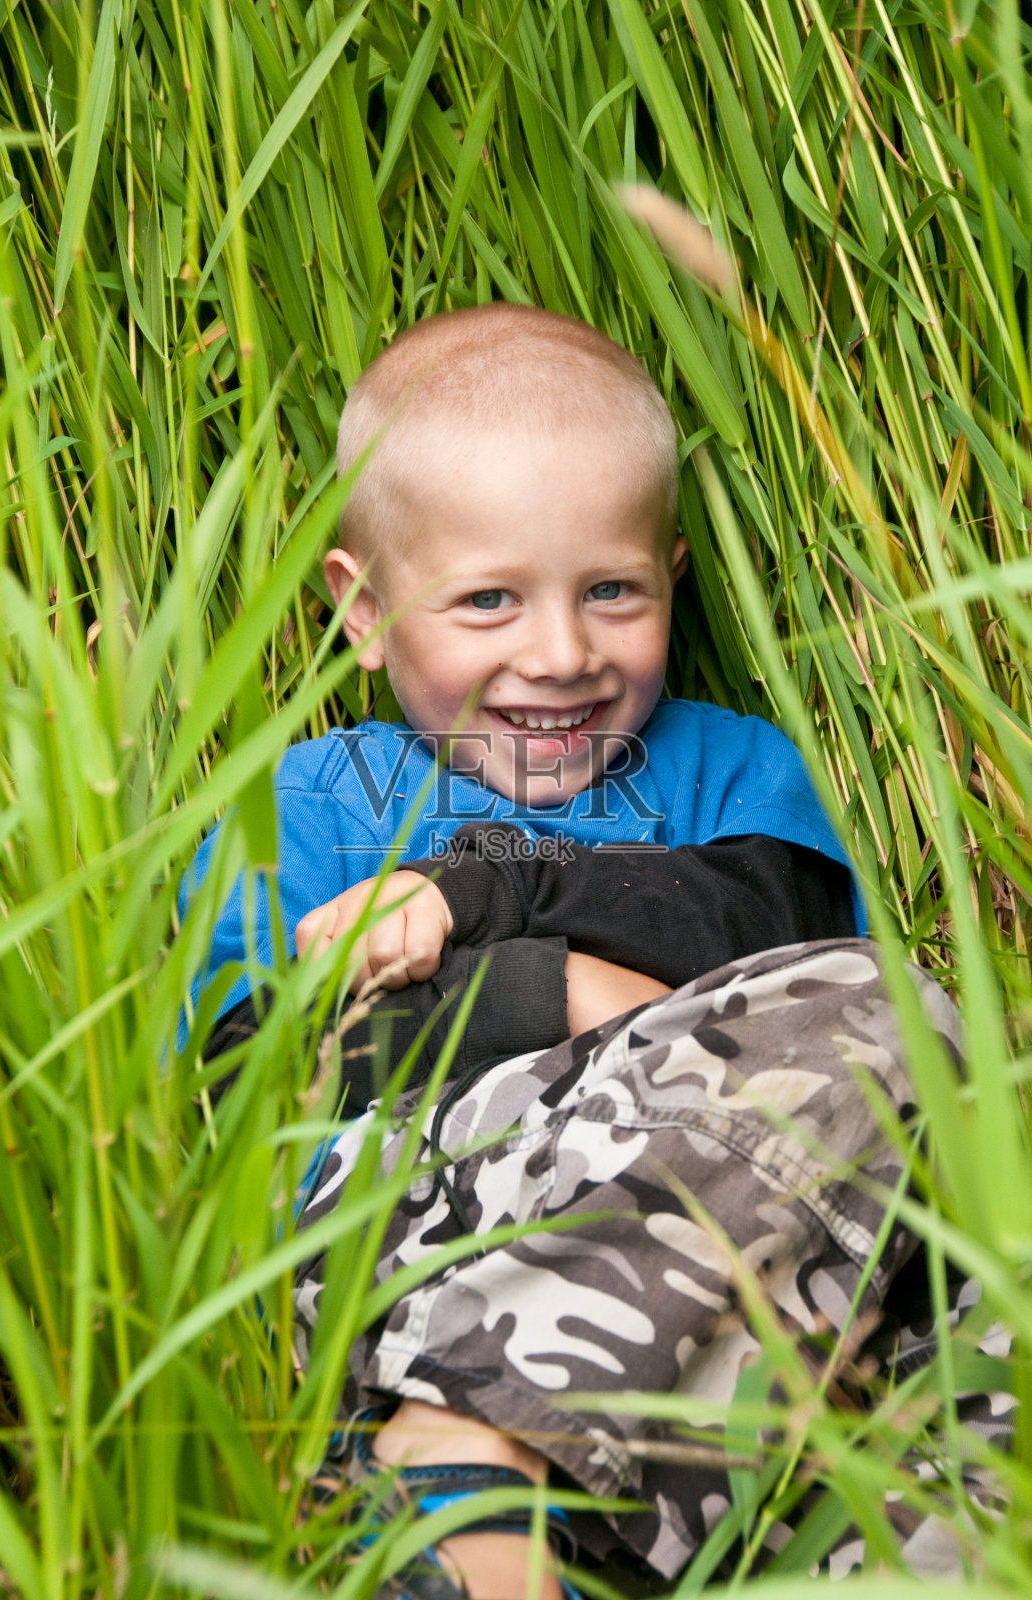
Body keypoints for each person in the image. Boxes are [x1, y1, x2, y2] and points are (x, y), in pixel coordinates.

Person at [185, 306, 973, 1597]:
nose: (559, 655)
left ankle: (516, 1509)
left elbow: (802, 978)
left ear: (670, 575)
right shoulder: (308, 809)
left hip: (728, 1291)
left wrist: (478, 913)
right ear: (364, 611)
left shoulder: (735, 772)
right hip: (415, 1237)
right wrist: (565, 990)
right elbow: (244, 1096)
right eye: (488, 599)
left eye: (612, 591)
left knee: (909, 1060)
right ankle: (461, 1458)